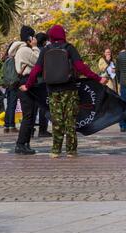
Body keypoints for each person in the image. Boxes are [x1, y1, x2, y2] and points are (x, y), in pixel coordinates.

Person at [20, 24, 107, 158]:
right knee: (70, 121)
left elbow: (36, 69)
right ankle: (71, 151)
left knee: (57, 120)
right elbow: (80, 67)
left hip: (53, 91)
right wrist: (98, 78)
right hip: (70, 89)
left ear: (51, 36)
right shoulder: (69, 48)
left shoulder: (45, 49)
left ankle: (55, 150)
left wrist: (27, 85)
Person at [9, 25, 40, 155]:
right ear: (29, 38)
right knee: (28, 114)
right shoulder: (25, 50)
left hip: (27, 82)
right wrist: (35, 47)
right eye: (33, 36)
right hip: (26, 82)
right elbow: (39, 61)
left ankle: (25, 143)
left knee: (31, 114)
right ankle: (21, 144)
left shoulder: (21, 50)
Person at [33, 32, 52, 138]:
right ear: (45, 41)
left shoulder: (31, 50)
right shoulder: (45, 51)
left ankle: (30, 129)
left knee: (34, 106)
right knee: (44, 106)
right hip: (43, 81)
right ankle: (42, 129)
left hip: (33, 81)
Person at [3, 42, 19, 134]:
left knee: (9, 105)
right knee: (12, 105)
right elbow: (14, 74)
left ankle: (6, 125)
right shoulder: (13, 60)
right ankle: (11, 125)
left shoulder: (6, 59)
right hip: (13, 84)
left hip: (8, 84)